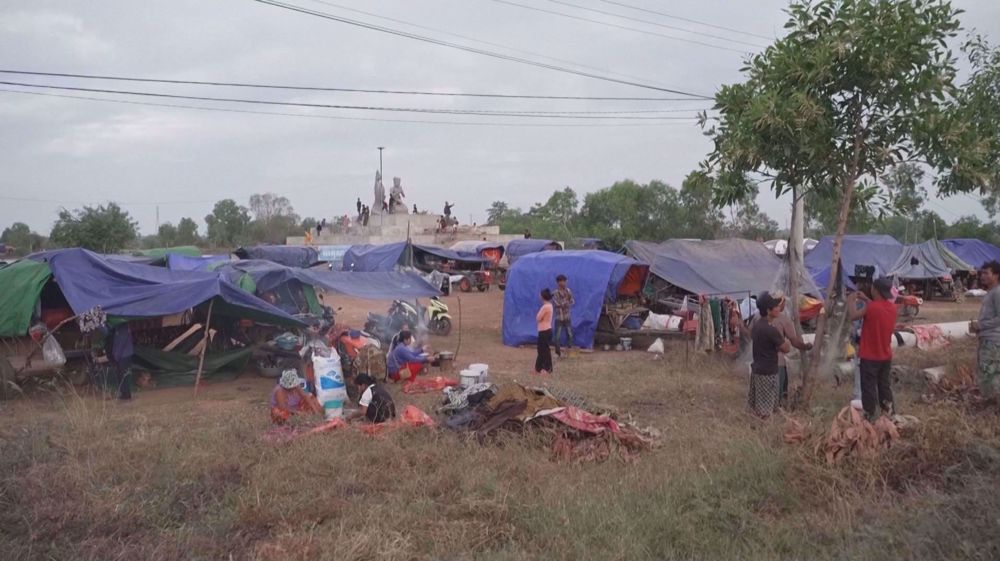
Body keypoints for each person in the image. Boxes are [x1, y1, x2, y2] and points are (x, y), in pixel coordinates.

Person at [848, 277, 898, 420]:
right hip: (885, 355)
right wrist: (865, 299)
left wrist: (850, 300)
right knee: (884, 386)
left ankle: (869, 415)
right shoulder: (892, 308)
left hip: (870, 356)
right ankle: (889, 414)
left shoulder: (870, 308)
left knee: (868, 387)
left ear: (874, 289)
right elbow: (877, 308)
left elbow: (853, 316)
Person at [748, 292, 791, 418]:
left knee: (758, 406)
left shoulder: (757, 325)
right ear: (768, 310)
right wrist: (786, 340)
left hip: (757, 370)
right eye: (776, 306)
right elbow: (786, 348)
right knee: (766, 411)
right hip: (768, 373)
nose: (779, 308)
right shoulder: (771, 330)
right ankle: (763, 432)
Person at [769, 291, 813, 404]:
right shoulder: (782, 319)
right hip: (777, 362)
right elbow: (794, 341)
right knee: (779, 395)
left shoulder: (759, 316)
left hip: (761, 360)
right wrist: (806, 346)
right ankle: (777, 413)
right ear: (781, 303)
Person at [971, 260, 1000, 400]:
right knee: (987, 372)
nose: (982, 276)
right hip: (987, 338)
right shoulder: (990, 292)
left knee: (989, 374)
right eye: (982, 273)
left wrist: (980, 325)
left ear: (996, 275)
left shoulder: (997, 292)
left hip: (993, 340)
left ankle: (992, 404)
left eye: (986, 273)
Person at [105, 323, 135, 400]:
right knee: (121, 375)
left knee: (122, 375)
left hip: (124, 355)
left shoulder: (122, 327)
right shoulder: (118, 327)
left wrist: (116, 356)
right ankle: (124, 393)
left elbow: (121, 343)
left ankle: (125, 395)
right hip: (123, 354)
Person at [552, 274, 575, 357]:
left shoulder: (568, 291)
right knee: (557, 336)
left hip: (567, 316)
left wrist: (566, 303)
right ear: (559, 282)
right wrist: (566, 303)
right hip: (559, 317)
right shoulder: (555, 293)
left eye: (565, 281)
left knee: (569, 334)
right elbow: (557, 303)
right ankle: (558, 353)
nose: (565, 283)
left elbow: (572, 301)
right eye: (563, 281)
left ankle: (569, 351)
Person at [535, 288, 554, 375]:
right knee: (541, 349)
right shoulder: (549, 306)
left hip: (544, 330)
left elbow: (538, 317)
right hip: (545, 329)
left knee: (544, 350)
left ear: (543, 296)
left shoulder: (546, 307)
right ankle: (538, 368)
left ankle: (547, 368)